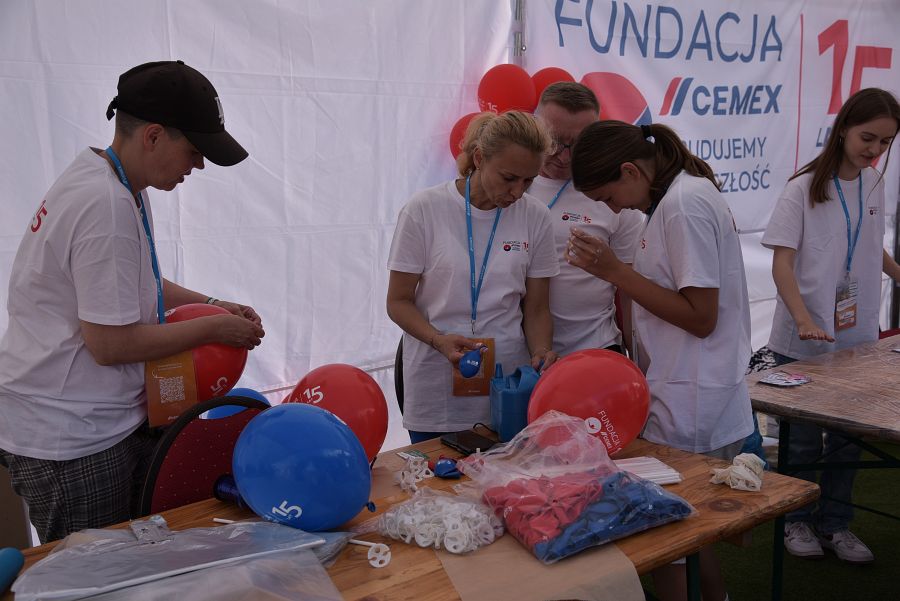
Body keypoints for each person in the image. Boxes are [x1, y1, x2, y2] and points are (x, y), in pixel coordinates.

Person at [0, 61, 265, 543]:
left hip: (85, 422)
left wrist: (214, 304)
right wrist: (214, 329)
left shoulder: (114, 182)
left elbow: (137, 282)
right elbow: (110, 344)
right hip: (72, 437)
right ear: (154, 136)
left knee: (124, 558)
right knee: (96, 572)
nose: (199, 166)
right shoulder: (103, 204)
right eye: (194, 151)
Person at [567, 120, 753, 601]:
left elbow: (701, 317)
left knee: (667, 539)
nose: (615, 208)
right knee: (689, 531)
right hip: (688, 389)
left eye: (610, 196)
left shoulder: (683, 205)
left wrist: (615, 271)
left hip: (692, 397)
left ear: (631, 171)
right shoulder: (676, 199)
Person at [762, 87, 900, 564]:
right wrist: (803, 318)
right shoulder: (801, 188)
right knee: (801, 441)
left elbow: (868, 244)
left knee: (847, 442)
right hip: (802, 341)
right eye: (868, 137)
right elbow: (782, 264)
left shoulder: (874, 182)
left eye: (885, 142)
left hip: (856, 340)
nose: (874, 149)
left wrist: (897, 272)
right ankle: (795, 520)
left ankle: (835, 524)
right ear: (843, 130)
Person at [387, 111, 559, 443]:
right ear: (479, 158)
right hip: (436, 382)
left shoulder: (535, 216)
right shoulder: (424, 209)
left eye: (528, 181)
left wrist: (541, 350)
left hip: (507, 386)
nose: (517, 192)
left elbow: (537, 308)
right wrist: (438, 340)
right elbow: (398, 302)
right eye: (508, 178)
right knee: (439, 476)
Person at [530, 82, 643, 356]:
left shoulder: (615, 193)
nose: (564, 156)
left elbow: (628, 291)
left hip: (597, 348)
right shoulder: (509, 183)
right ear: (534, 127)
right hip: (524, 357)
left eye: (578, 145)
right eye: (554, 141)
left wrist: (638, 360)